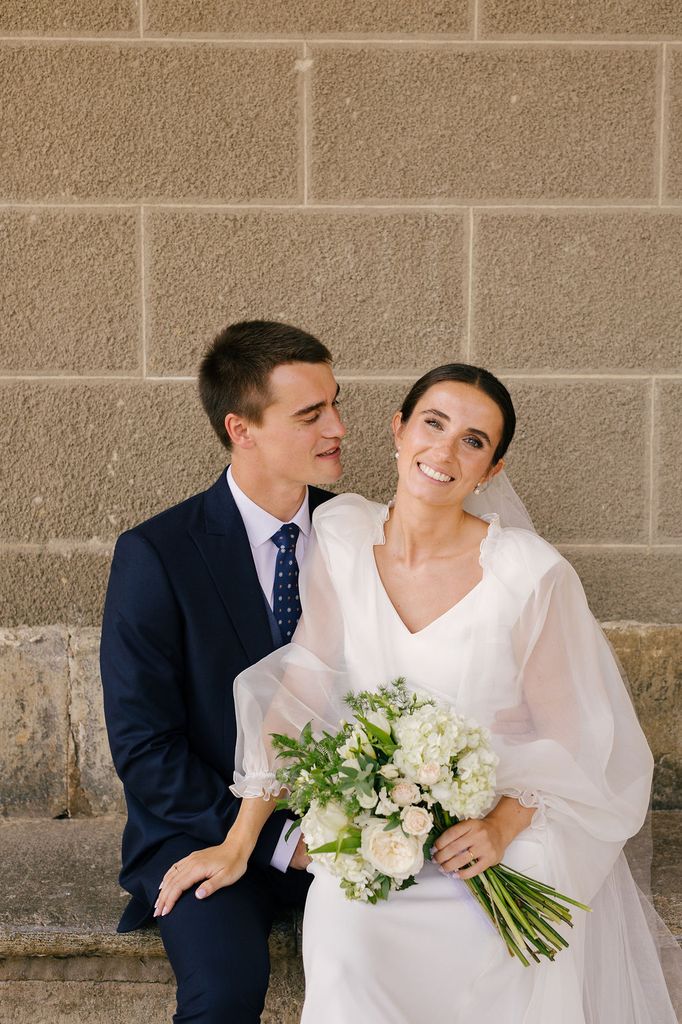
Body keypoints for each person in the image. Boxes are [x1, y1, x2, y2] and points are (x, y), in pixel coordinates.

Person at [155, 362, 681, 1023]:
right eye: (433, 424)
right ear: (399, 431)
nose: (445, 451)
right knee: (345, 936)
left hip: (501, 834)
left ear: (491, 470)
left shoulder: (528, 573)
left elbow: (572, 735)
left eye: (473, 441)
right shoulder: (343, 536)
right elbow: (299, 691)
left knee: (502, 951)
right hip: (378, 832)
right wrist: (240, 841)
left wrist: (498, 825)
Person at [100, 320, 346, 1024]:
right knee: (223, 992)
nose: (338, 427)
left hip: (352, 828)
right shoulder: (157, 554)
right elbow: (146, 750)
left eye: (336, 403)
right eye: (311, 414)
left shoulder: (360, 536)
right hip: (201, 832)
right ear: (243, 429)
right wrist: (281, 844)